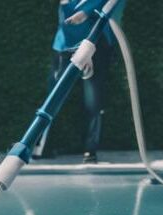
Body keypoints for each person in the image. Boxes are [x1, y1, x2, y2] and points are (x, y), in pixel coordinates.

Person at [33, 0, 127, 164]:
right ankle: (43, 147)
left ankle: (90, 151)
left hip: (96, 43)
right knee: (54, 97)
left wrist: (86, 12)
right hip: (65, 45)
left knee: (94, 100)